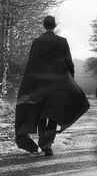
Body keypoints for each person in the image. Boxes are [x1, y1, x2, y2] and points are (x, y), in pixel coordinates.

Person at [15, 16, 90, 156]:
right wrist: (70, 81)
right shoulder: (62, 41)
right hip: (58, 84)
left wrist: (30, 82)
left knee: (42, 113)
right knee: (54, 113)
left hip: (39, 84)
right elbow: (69, 63)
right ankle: (46, 144)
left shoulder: (37, 42)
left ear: (44, 25)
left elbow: (31, 63)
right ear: (54, 26)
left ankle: (43, 143)